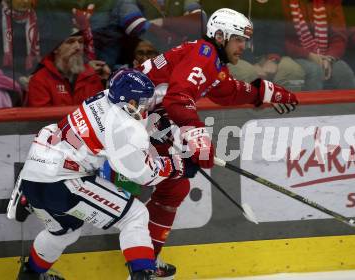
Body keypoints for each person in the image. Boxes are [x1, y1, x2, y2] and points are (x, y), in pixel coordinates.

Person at [127, 8, 298, 279]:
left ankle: (147, 262)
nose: (244, 46)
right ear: (220, 35)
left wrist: (264, 92)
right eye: (239, 39)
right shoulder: (204, 54)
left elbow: (227, 91)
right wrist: (196, 135)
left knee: (175, 186)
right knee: (108, 187)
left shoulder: (209, 61)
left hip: (143, 123)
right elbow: (179, 97)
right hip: (124, 124)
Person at [7, 69, 198, 280]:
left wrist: (152, 125)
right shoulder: (124, 127)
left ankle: (30, 274)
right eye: (142, 103)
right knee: (135, 215)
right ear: (131, 103)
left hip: (36, 170)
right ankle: (144, 274)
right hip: (62, 181)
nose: (145, 106)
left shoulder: (105, 96)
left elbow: (123, 123)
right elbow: (143, 174)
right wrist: (179, 164)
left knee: (65, 231)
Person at [281, 0, 355, 90]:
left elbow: (339, 36)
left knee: (342, 70)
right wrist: (309, 55)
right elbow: (279, 39)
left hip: (327, 55)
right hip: (295, 55)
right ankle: (311, 104)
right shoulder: (283, 3)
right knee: (314, 71)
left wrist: (329, 58)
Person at [26, 30, 107, 107]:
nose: (78, 47)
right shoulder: (40, 80)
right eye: (70, 42)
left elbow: (101, 112)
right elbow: (41, 119)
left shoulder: (91, 76)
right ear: (55, 49)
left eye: (80, 42)